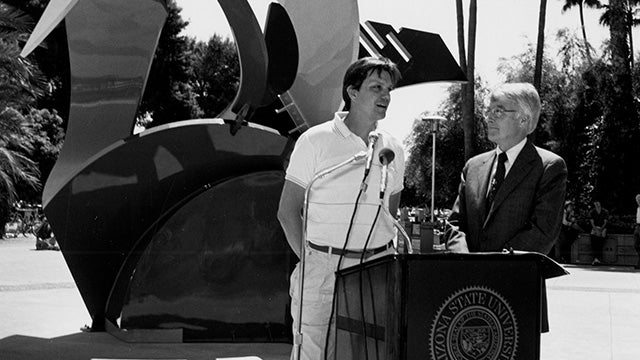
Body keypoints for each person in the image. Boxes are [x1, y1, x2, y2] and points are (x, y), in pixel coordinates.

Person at [277, 57, 463, 360]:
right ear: (352, 92)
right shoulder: (315, 140)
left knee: (369, 354)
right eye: (376, 87)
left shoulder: (393, 148)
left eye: (388, 89)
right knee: (313, 353)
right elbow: (287, 211)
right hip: (321, 269)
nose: (385, 95)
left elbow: (389, 214)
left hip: (374, 271)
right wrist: (312, 262)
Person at [448, 82, 567, 254]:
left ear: (524, 119)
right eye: (488, 110)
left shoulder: (549, 167)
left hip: (515, 277)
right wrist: (464, 261)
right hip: (469, 278)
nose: (489, 117)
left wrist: (497, 265)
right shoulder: (472, 167)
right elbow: (456, 224)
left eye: (498, 111)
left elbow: (543, 232)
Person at [588, 200, 609, 266]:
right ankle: (596, 258)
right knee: (593, 239)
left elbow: (605, 222)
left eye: (598, 202)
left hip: (602, 228)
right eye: (595, 202)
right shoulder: (592, 212)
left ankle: (597, 258)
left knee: (601, 240)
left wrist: (601, 229)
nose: (596, 203)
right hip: (595, 228)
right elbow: (592, 222)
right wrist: (596, 229)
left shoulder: (605, 211)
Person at [634, 194, 640, 269]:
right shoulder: (638, 208)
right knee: (636, 245)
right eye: (637, 200)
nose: (638, 201)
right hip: (638, 226)